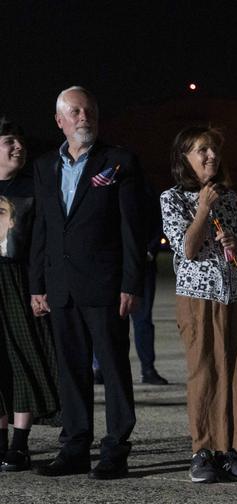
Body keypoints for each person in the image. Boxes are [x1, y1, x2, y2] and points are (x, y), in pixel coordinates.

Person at [30, 87, 145, 480]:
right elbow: (42, 229)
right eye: (75, 112)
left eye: (90, 111)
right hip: (60, 288)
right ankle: (75, 447)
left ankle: (115, 448)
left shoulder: (118, 162)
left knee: (113, 368)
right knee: (70, 369)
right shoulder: (45, 166)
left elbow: (134, 229)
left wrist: (131, 283)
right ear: (60, 121)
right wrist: (37, 285)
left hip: (106, 287)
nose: (84, 118)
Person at [160, 126, 237, 484]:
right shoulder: (172, 198)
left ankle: (230, 451)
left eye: (214, 149)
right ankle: (202, 451)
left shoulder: (229, 197)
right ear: (185, 157)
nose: (211, 155)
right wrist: (202, 209)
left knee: (234, 372)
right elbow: (186, 250)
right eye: (202, 150)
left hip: (235, 293)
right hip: (197, 297)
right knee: (204, 373)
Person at [0, 120, 60, 471]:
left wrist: (41, 288)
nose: (18, 147)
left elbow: (43, 243)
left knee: (23, 357)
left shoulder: (33, 187)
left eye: (20, 141)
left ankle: (20, 445)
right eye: (9, 141)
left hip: (21, 279)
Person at [93, 183, 170, 386]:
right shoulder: (101, 187)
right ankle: (100, 367)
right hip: (112, 264)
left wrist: (149, 252)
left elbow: (159, 224)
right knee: (105, 318)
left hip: (142, 265)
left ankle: (147, 368)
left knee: (142, 319)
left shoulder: (145, 190)